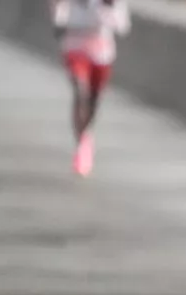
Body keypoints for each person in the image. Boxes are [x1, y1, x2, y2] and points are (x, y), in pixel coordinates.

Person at [51, 0, 130, 176]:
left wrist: (108, 9)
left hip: (101, 53)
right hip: (75, 49)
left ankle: (86, 133)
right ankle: (81, 143)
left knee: (94, 100)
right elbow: (58, 22)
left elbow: (122, 27)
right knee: (80, 92)